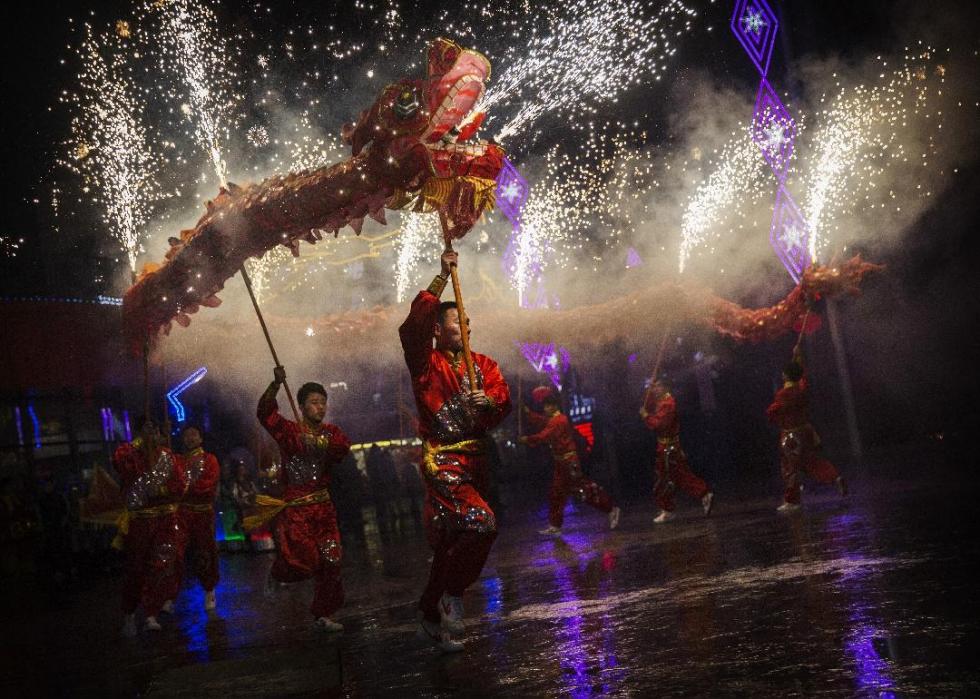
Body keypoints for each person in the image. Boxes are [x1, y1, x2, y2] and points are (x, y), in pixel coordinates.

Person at [398, 250, 512, 652]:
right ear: (437, 330)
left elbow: (501, 402)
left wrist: (491, 403)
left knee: (451, 543)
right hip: (444, 460)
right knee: (482, 522)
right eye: (454, 321)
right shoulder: (425, 364)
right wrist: (440, 278)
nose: (463, 326)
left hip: (477, 461)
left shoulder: (484, 364)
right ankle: (453, 595)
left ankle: (432, 613)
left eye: (465, 320)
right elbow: (410, 329)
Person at [256, 367, 352, 631]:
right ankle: (277, 573)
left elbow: (343, 448)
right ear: (301, 406)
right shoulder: (289, 431)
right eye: (314, 402)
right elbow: (265, 414)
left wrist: (320, 445)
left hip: (323, 507)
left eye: (323, 402)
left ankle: (323, 614)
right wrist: (275, 385)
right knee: (305, 561)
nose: (320, 407)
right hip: (297, 508)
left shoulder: (331, 433)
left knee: (332, 559)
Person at [112, 418, 185, 635]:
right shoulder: (128, 453)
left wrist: (164, 492)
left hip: (163, 519)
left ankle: (152, 613)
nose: (152, 433)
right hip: (139, 521)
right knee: (136, 566)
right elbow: (119, 464)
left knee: (161, 564)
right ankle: (129, 613)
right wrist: (139, 443)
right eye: (147, 430)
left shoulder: (166, 456)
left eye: (154, 429)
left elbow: (179, 485)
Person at [522, 387, 620, 535]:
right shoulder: (555, 419)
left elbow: (544, 435)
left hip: (569, 462)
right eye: (545, 406)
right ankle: (555, 525)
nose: (546, 409)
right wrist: (529, 414)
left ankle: (611, 508)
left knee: (584, 490)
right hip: (561, 463)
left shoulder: (559, 421)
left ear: (554, 406)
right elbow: (543, 422)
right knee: (556, 492)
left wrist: (527, 439)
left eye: (548, 406)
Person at [767, 345, 846, 512]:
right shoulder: (802, 389)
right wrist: (797, 357)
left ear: (786, 375)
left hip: (791, 436)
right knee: (811, 461)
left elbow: (774, 411)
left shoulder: (783, 394)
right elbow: (802, 376)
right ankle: (834, 477)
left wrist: (772, 415)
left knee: (790, 467)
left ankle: (792, 500)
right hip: (806, 432)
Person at [640, 378, 714, 524]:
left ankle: (669, 508)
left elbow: (659, 425)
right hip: (665, 447)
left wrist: (646, 416)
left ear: (665, 387)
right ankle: (702, 493)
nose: (655, 389)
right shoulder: (660, 401)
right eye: (654, 387)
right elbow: (647, 404)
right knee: (677, 476)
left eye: (658, 386)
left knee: (665, 479)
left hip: (669, 448)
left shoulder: (668, 404)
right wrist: (647, 394)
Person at [166, 425, 220, 612]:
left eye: (194, 435)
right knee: (175, 552)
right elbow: (171, 483)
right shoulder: (177, 460)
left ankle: (209, 590)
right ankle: (169, 595)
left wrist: (184, 489)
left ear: (200, 438)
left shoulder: (209, 459)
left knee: (205, 552)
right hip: (182, 514)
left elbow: (208, 484)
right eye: (187, 435)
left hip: (203, 513)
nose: (190, 438)